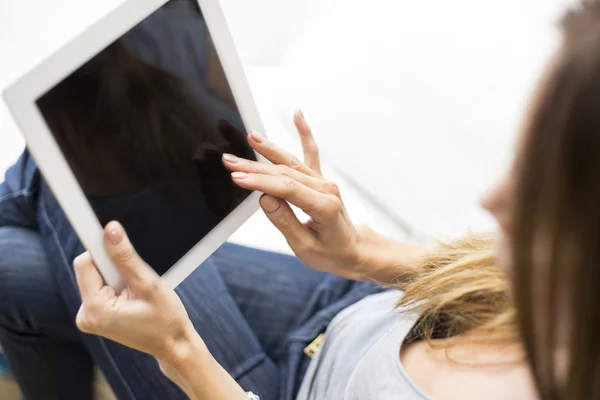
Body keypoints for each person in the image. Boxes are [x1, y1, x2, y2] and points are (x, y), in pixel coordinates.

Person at [70, 1, 600, 399]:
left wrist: (178, 351)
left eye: (540, 192)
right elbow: (492, 281)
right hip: (345, 309)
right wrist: (358, 253)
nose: (491, 199)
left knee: (52, 217)